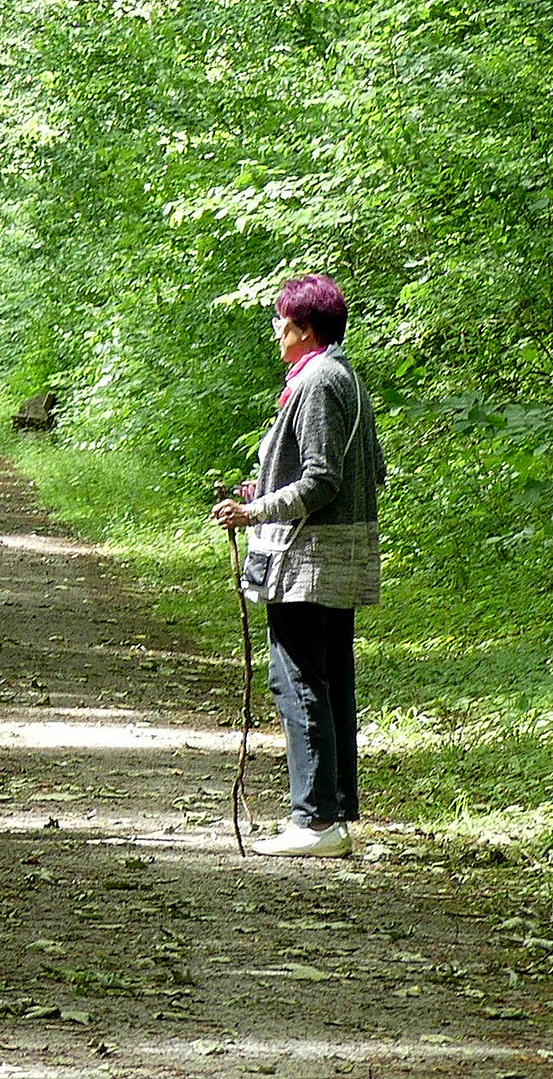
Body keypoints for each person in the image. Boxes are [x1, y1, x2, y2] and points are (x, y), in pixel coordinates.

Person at [212, 274, 386, 858]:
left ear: (304, 328)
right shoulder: (345, 378)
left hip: (309, 561)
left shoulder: (316, 383)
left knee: (298, 683)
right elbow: (367, 471)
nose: (275, 332)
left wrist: (254, 508)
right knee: (331, 680)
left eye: (280, 321)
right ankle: (332, 814)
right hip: (340, 556)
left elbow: (322, 480)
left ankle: (314, 821)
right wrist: (261, 486)